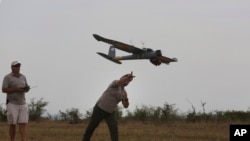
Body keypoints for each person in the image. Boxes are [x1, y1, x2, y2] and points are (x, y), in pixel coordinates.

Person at [82, 72, 135, 141]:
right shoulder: (115, 83)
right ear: (122, 78)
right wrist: (127, 77)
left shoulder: (124, 92)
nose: (127, 82)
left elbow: (126, 106)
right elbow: (119, 82)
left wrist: (126, 99)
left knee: (114, 129)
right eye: (126, 80)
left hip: (110, 112)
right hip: (100, 108)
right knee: (92, 126)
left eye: (129, 81)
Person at [2, 61, 30, 141]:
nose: (18, 67)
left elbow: (25, 87)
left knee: (23, 123)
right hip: (12, 103)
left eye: (19, 66)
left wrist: (27, 88)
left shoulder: (23, 77)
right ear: (12, 67)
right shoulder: (7, 77)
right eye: (16, 66)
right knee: (12, 123)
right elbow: (4, 89)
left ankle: (23, 139)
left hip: (23, 102)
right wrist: (16, 89)